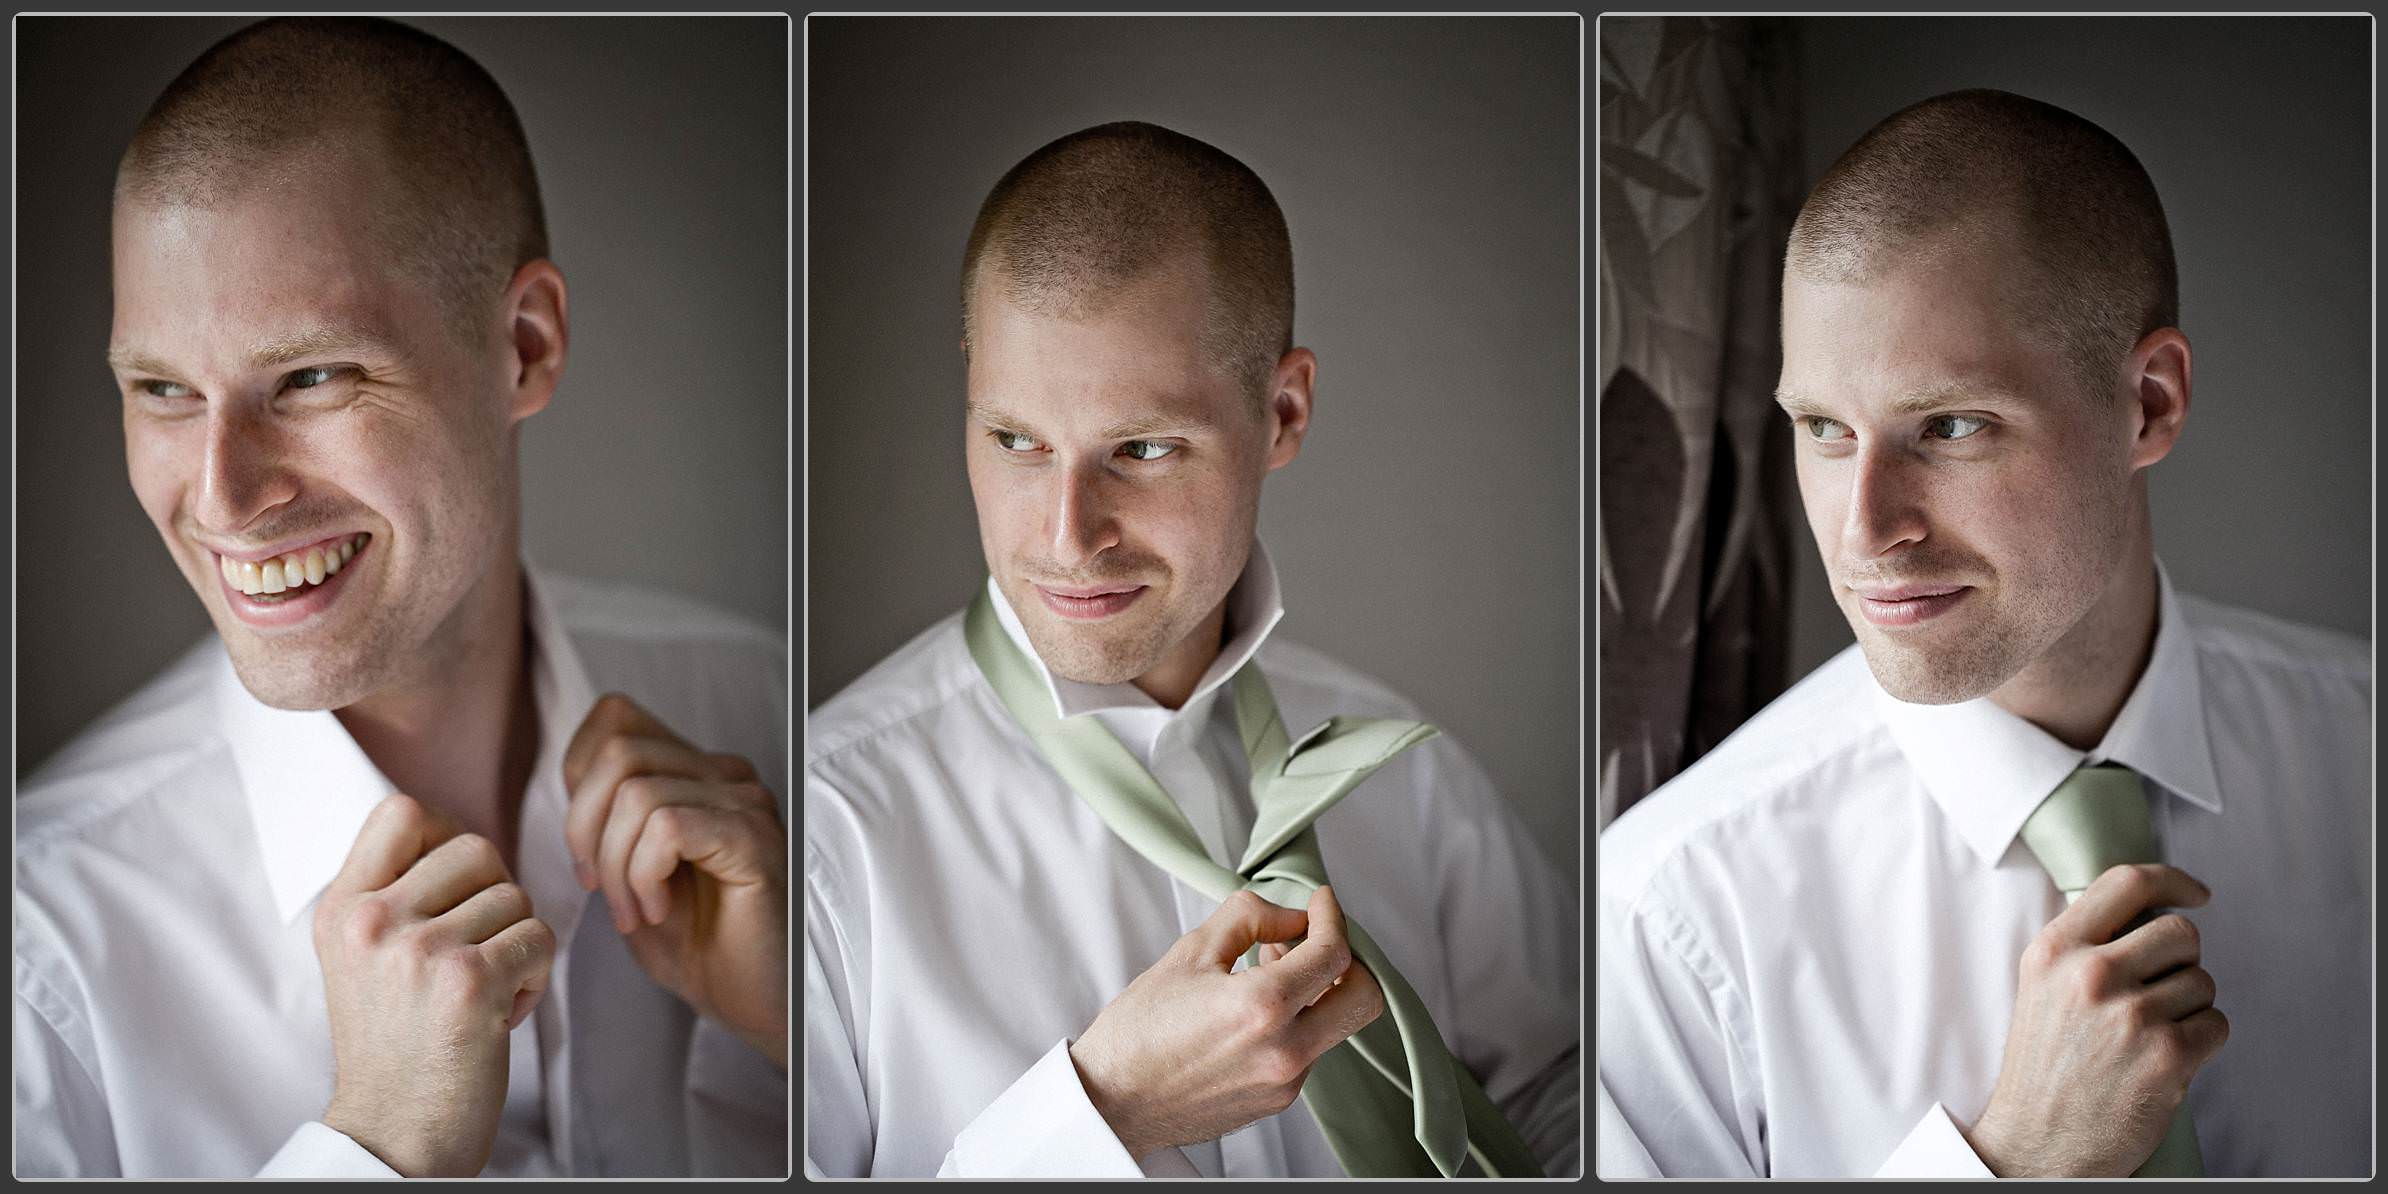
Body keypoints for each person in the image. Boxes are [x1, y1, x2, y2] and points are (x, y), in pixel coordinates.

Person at [14, 17, 788, 1178]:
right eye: (164, 390)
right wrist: (378, 1150)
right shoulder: (39, 965)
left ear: (523, 347)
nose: (223, 496)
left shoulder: (780, 719)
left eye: (312, 375)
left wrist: (819, 1036)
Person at [1597, 89, 2369, 1178]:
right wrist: (2013, 1162)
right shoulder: (1666, 919)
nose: (1865, 530)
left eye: (1950, 426)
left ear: (2148, 403)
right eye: (1823, 429)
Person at [801, 120, 1580, 1178]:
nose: (1068, 536)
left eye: (1143, 448)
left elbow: (1564, 1101)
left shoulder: (1411, 785)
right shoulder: (821, 840)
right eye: (1016, 441)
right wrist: (1103, 1116)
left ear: (1284, 411)